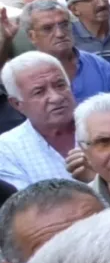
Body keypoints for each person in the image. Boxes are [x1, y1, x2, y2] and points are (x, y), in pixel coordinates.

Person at [0, 53, 78, 189]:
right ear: (17, 104)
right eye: (39, 92)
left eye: (60, 85)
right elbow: (27, 207)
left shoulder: (104, 126)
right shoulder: (6, 149)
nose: (56, 98)